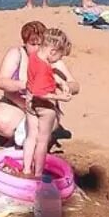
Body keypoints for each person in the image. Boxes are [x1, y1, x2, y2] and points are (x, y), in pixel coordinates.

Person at [0, 22, 80, 146]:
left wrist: (65, 86)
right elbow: (1, 81)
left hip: (43, 106)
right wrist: (27, 85)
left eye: (40, 44)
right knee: (3, 123)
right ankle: (20, 139)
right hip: (18, 103)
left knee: (39, 133)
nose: (36, 48)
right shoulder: (17, 53)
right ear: (25, 43)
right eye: (32, 44)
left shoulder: (50, 58)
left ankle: (36, 142)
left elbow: (75, 85)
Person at [23, 29, 74, 177]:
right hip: (43, 106)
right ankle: (38, 173)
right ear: (52, 51)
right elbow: (41, 92)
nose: (57, 61)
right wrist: (60, 98)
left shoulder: (33, 56)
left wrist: (58, 81)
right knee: (42, 141)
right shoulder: (45, 66)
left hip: (30, 101)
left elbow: (39, 76)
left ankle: (26, 169)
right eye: (59, 56)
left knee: (31, 136)